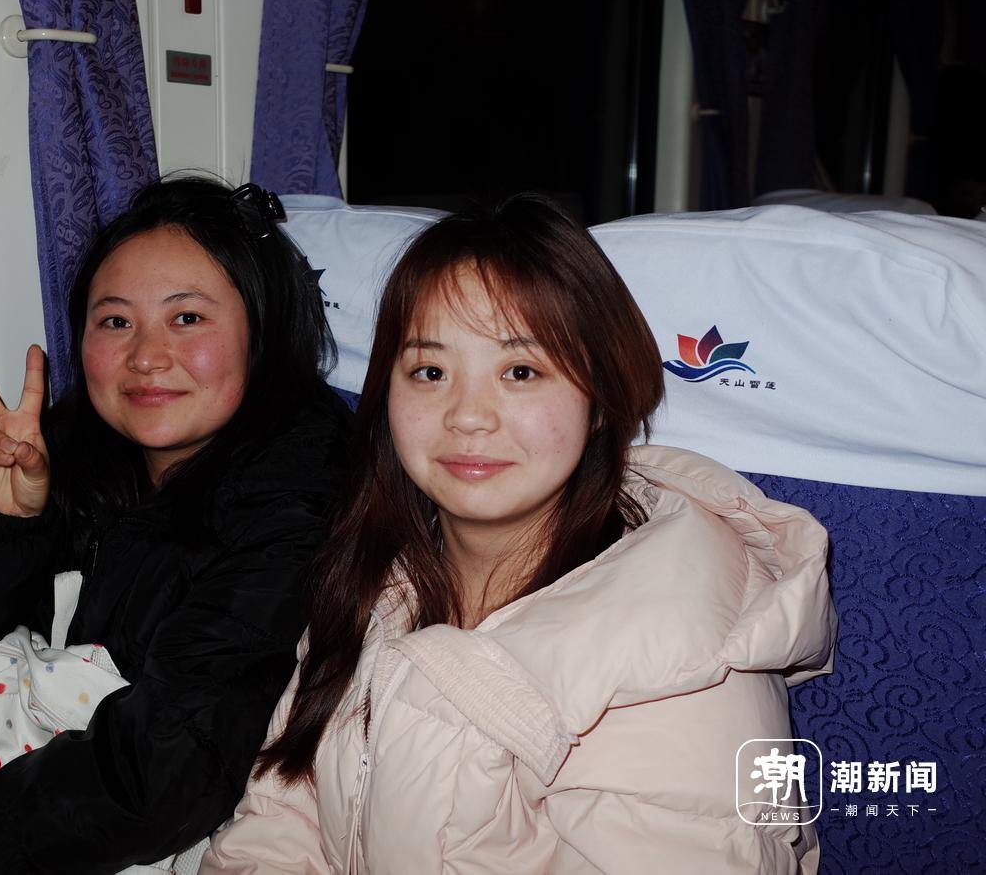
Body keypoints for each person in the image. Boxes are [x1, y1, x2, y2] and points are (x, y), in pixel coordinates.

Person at [201, 194, 836, 874]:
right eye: (430, 372)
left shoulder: (685, 653)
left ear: (600, 400)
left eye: (521, 372)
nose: (468, 415)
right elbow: (280, 819)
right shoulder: (377, 575)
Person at [0, 177, 352, 874]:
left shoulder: (302, 503)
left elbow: (160, 773)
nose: (145, 356)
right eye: (115, 322)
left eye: (187, 318)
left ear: (261, 334)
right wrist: (4, 526)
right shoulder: (73, 453)